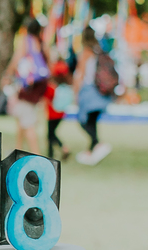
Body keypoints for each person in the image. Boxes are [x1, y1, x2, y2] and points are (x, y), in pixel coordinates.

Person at [5, 15, 50, 155]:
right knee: (22, 119)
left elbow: (16, 59)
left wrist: (7, 75)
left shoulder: (26, 42)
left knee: (28, 123)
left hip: (27, 88)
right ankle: (18, 150)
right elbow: (49, 66)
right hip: (38, 88)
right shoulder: (43, 44)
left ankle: (38, 156)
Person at [74, 24, 115, 164]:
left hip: (89, 90)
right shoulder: (99, 50)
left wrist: (75, 92)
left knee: (83, 121)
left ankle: (98, 144)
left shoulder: (85, 52)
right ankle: (91, 152)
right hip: (100, 92)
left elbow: (80, 74)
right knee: (92, 121)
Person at [46, 51, 72, 160]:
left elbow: (47, 99)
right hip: (61, 111)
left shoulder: (52, 87)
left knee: (50, 134)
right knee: (51, 133)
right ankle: (51, 153)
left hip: (52, 112)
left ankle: (62, 148)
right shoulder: (65, 85)